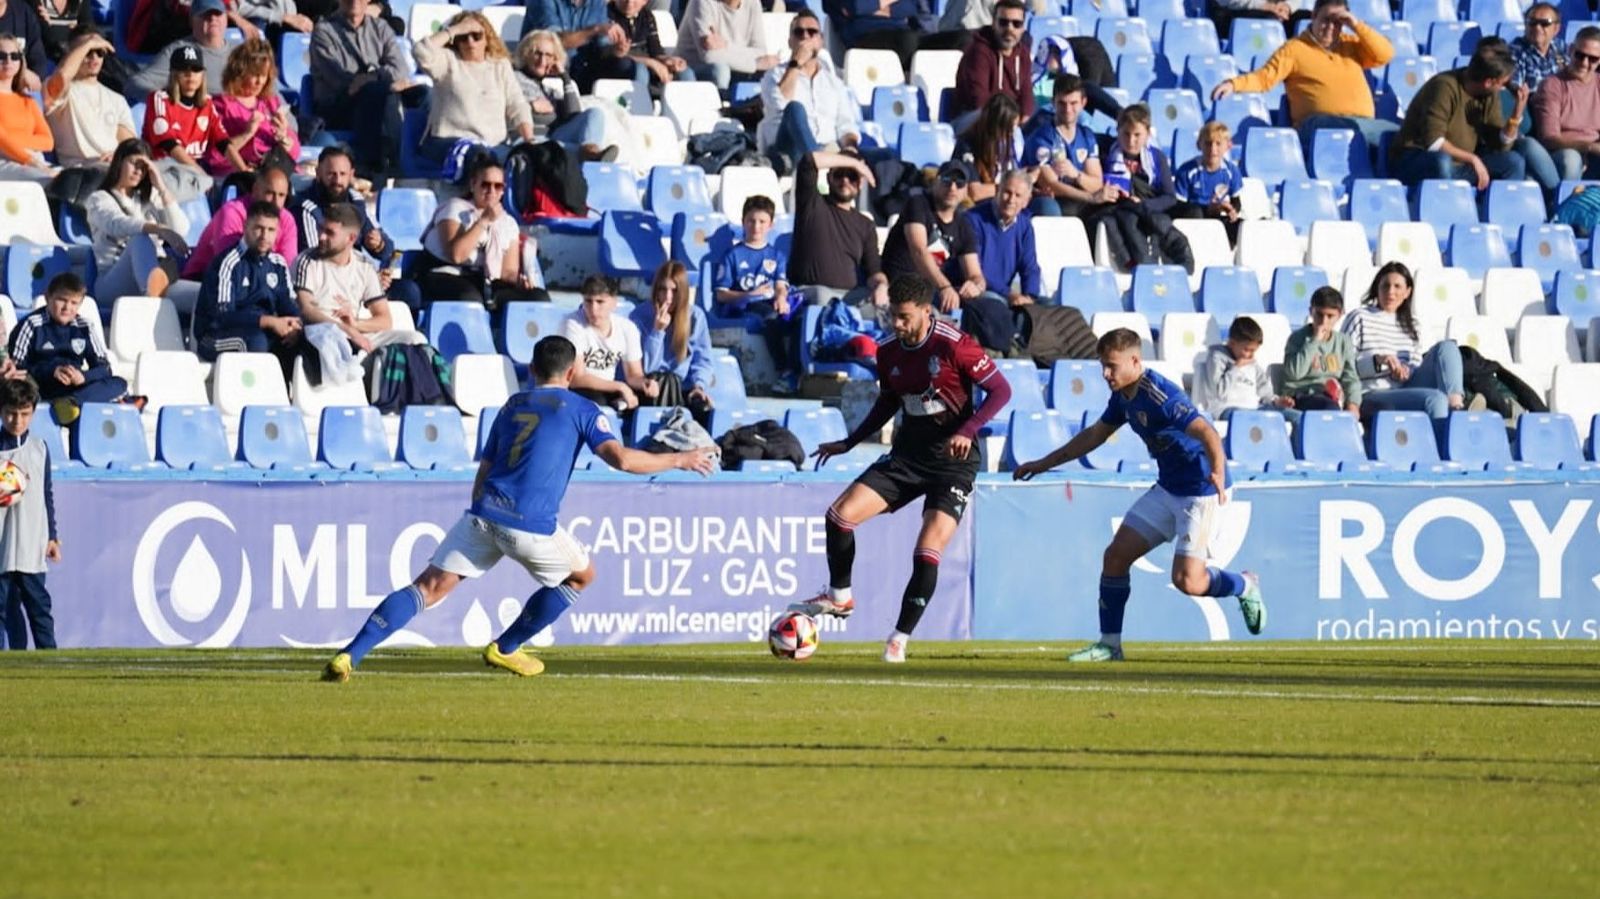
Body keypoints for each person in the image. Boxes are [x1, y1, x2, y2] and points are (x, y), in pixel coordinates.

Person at [323, 334, 719, 681]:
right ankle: (506, 647)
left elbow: (486, 466)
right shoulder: (582, 408)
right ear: (572, 372)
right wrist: (679, 459)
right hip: (530, 524)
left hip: (484, 512)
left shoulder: (512, 405)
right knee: (581, 576)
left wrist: (481, 511)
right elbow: (623, 460)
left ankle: (349, 655)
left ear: (531, 369)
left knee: (427, 587)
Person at [1012, 327, 1265, 662]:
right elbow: (1094, 436)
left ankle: (1244, 584)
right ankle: (1110, 645)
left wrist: (1218, 469)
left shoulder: (1160, 395)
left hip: (1200, 491)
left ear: (1135, 361)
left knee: (1188, 582)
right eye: (1103, 365)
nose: (1105, 374)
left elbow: (1207, 432)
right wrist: (1044, 463)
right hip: (1169, 487)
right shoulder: (1122, 396)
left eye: (1111, 366)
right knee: (1115, 557)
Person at [798, 275, 1013, 664]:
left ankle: (898, 638)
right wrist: (850, 441)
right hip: (908, 457)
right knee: (839, 516)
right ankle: (840, 597)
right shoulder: (888, 351)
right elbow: (888, 401)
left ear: (926, 312)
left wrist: (967, 430)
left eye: (904, 317)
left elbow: (1001, 390)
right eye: (892, 316)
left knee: (927, 549)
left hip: (954, 463)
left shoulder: (954, 344)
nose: (896, 324)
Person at [1210, 0, 1394, 155]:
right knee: (1344, 126)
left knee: (1399, 138)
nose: (1331, 27)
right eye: (1326, 20)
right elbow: (1264, 78)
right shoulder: (1295, 49)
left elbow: (1385, 54)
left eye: (1338, 22)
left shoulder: (1351, 44)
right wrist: (1233, 84)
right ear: (1313, 16)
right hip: (1317, 125)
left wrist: (1356, 25)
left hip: (1363, 124)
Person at [291, 145, 421, 313]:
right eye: (331, 174)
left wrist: (378, 244)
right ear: (318, 173)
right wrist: (367, 280)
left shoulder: (355, 201)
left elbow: (387, 249)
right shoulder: (306, 207)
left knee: (409, 291)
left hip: (357, 279)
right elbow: (315, 260)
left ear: (351, 174)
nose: (337, 180)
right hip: (325, 285)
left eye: (342, 174)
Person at [293, 202, 425, 360]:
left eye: (329, 233)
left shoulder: (364, 266)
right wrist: (345, 329)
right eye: (320, 229)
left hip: (355, 332)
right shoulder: (308, 261)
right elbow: (307, 310)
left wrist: (355, 324)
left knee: (415, 340)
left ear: (351, 238)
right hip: (322, 333)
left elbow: (384, 319)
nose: (321, 237)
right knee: (335, 342)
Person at [1390, 38, 1527, 190]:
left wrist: (1516, 114)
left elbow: (1500, 146)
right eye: (1502, 83)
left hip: (1461, 165)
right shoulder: (1444, 87)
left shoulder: (1489, 95)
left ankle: (1501, 205)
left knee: (1513, 162)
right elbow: (1433, 142)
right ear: (1489, 82)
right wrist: (1472, 159)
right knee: (1442, 162)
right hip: (1418, 159)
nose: (1504, 88)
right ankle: (1448, 202)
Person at [8, 273, 145, 425]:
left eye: (74, 303)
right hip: (40, 387)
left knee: (119, 383)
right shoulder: (31, 324)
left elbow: (104, 368)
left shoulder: (84, 326)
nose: (67, 308)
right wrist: (52, 371)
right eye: (62, 300)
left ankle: (72, 403)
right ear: (48, 297)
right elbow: (16, 368)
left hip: (74, 390)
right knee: (19, 385)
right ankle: (75, 406)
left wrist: (83, 377)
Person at [1341, 262, 1465, 423]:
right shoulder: (1359, 317)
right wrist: (1378, 362)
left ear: (1407, 292)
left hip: (1407, 387)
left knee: (1448, 347)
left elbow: (1415, 364)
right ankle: (1444, 435)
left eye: (1397, 286)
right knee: (1435, 398)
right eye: (1385, 286)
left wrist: (1406, 371)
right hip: (1372, 392)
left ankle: (1456, 408)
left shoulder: (1413, 325)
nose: (1390, 292)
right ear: (1377, 288)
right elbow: (1343, 366)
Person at [416, 159, 546, 309]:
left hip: (484, 282)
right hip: (444, 274)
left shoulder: (508, 223)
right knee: (470, 299)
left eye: (498, 186)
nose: (492, 191)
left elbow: (508, 271)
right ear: (473, 185)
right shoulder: (454, 209)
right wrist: (484, 221)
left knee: (538, 298)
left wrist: (519, 282)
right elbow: (456, 255)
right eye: (485, 185)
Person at [309, 0, 421, 174]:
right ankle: (375, 165)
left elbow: (401, 69)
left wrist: (373, 77)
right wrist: (383, 81)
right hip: (338, 105)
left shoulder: (380, 27)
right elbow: (341, 80)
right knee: (377, 93)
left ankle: (420, 158)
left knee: (423, 94)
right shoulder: (323, 31)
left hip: (379, 92)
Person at [192, 199, 303, 372]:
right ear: (245, 227)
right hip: (213, 336)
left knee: (300, 340)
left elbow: (288, 304)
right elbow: (221, 316)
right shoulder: (228, 263)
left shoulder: (278, 264)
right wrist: (267, 321)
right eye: (258, 228)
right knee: (255, 342)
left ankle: (285, 390)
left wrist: (296, 326)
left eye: (271, 230)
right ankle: (252, 390)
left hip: (261, 330)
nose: (264, 235)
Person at [413, 10, 534, 168]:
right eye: (463, 37)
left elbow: (517, 104)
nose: (470, 42)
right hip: (448, 142)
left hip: (493, 144)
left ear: (487, 38)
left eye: (476, 36)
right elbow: (420, 51)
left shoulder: (500, 66)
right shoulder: (448, 61)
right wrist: (456, 29)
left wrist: (529, 141)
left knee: (529, 159)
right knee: (479, 156)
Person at [1086, 103, 1194, 272]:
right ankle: (1141, 263)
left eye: (1137, 135)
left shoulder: (1156, 158)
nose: (1131, 141)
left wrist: (1142, 204)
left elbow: (1169, 197)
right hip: (1114, 208)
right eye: (1126, 134)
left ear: (1147, 134)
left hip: (1147, 208)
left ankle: (1178, 247)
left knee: (1145, 216)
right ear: (1118, 131)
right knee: (1127, 217)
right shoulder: (1105, 152)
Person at [757, 9, 863, 175]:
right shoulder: (774, 75)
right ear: (790, 41)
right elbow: (780, 103)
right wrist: (796, 64)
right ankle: (818, 166)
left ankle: (823, 164)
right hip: (789, 151)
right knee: (795, 108)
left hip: (828, 149)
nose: (805, 36)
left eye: (812, 32)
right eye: (798, 32)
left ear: (820, 41)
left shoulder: (834, 83)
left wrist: (850, 147)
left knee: (882, 157)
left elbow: (846, 124)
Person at [84, 138, 191, 301]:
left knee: (200, 297)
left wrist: (161, 187)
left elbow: (180, 230)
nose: (138, 171)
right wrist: (158, 229)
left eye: (144, 167)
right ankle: (151, 297)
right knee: (140, 239)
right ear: (119, 162)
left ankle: (153, 294)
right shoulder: (98, 198)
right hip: (112, 281)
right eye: (134, 164)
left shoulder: (150, 198)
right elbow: (116, 223)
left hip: (157, 274)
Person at [0, 377, 60, 652]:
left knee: (39, 609)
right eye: (11, 413)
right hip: (2, 545)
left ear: (33, 413)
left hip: (30, 544)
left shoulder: (40, 448)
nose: (17, 420)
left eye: (24, 414)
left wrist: (52, 537)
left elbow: (46, 495)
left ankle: (51, 664)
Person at [714, 194, 797, 392]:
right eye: (751, 221)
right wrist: (748, 295)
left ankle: (801, 373)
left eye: (762, 221)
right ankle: (784, 371)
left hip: (769, 303)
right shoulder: (733, 255)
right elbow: (721, 294)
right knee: (770, 317)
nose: (756, 226)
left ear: (771, 225)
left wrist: (781, 297)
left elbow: (780, 284)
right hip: (745, 306)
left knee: (798, 318)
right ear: (743, 222)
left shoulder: (776, 256)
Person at [786, 148, 888, 308]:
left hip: (850, 299)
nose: (845, 181)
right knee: (821, 296)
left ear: (860, 183)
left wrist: (881, 286)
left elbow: (873, 270)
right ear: (828, 178)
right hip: (811, 293)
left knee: (889, 306)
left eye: (852, 176)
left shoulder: (866, 224)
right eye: (839, 174)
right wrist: (855, 164)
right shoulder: (812, 204)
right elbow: (808, 161)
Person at [881, 160, 984, 317]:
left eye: (959, 183)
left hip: (930, 292)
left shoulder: (964, 225)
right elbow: (919, 250)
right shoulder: (918, 204)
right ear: (935, 183)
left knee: (985, 309)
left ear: (965, 191)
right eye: (947, 180)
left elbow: (976, 274)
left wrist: (975, 286)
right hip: (900, 286)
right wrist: (945, 287)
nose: (952, 188)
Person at [962, 170, 1039, 354]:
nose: (1011, 199)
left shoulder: (1025, 226)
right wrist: (1010, 295)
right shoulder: (972, 220)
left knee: (1042, 309)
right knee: (994, 303)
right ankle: (1005, 356)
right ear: (997, 190)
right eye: (1007, 192)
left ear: (1026, 201)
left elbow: (1030, 266)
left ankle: (1029, 358)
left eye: (1018, 195)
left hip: (1005, 293)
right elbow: (978, 273)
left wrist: (1029, 296)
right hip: (976, 290)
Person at [200, 37, 300, 178]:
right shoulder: (220, 106)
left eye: (264, 75)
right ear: (239, 73)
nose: (260, 81)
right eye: (255, 75)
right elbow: (214, 158)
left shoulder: (270, 101)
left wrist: (284, 137)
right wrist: (247, 134)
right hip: (241, 177)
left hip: (278, 172)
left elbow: (295, 152)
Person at [629, 260, 716, 422]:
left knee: (704, 408)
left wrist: (698, 386)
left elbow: (702, 360)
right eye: (663, 289)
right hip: (650, 387)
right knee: (662, 381)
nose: (668, 297)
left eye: (674, 291)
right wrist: (657, 332)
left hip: (683, 388)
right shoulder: (639, 316)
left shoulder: (695, 316)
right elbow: (647, 368)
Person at [513, 29, 617, 161]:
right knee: (563, 147)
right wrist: (530, 106)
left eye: (548, 55)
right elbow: (502, 106)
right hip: (525, 139)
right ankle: (591, 157)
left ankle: (590, 152)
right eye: (537, 53)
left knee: (595, 113)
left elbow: (574, 115)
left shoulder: (548, 91)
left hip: (553, 137)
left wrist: (564, 77)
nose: (542, 60)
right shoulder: (514, 78)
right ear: (526, 54)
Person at [182, 165, 298, 280]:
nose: (275, 201)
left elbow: (288, 267)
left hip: (257, 281)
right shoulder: (231, 213)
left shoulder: (287, 220)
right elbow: (228, 263)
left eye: (281, 195)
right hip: (204, 279)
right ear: (255, 190)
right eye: (269, 193)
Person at [43, 31, 136, 169]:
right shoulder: (61, 91)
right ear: (71, 54)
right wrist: (89, 43)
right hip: (79, 170)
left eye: (100, 52)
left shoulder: (117, 99)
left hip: (113, 167)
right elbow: (62, 75)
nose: (94, 57)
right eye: (88, 52)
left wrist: (118, 155)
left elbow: (130, 144)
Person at [140, 44, 218, 200]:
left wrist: (243, 170)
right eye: (184, 69)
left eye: (196, 69)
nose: (190, 74)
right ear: (174, 74)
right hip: (163, 167)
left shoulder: (207, 103)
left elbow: (223, 142)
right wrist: (199, 172)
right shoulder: (159, 99)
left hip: (190, 171)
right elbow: (168, 144)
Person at [1023, 72, 1104, 218]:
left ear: (1083, 103)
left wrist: (1076, 175)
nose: (1067, 110)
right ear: (1053, 102)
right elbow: (1050, 184)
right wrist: (1090, 197)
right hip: (1052, 198)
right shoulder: (1042, 137)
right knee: (1049, 208)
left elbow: (1097, 182)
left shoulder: (1087, 136)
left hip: (1079, 197)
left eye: (1073, 103)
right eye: (1062, 103)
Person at [563, 274, 648, 411]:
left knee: (648, 398)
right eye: (588, 301)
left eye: (600, 302)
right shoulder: (573, 325)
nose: (593, 309)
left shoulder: (627, 328)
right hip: (580, 390)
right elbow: (576, 378)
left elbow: (634, 375)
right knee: (597, 403)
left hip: (609, 389)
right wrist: (620, 387)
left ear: (614, 303)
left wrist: (646, 384)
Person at [1191, 316, 1298, 425]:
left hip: (1254, 409)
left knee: (1297, 417)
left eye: (1253, 351)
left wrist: (1276, 401)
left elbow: (1264, 391)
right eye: (1247, 350)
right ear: (1232, 343)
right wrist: (1236, 368)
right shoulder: (1217, 358)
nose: (1250, 355)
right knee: (1251, 418)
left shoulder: (1252, 363)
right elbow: (1219, 393)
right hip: (1225, 409)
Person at [125, 0, 235, 100]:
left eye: (218, 14)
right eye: (205, 14)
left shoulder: (239, 52)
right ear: (192, 21)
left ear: (226, 19)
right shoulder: (180, 53)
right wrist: (170, 103)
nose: (212, 19)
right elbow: (135, 85)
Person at [951, 0, 1033, 134]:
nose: (1010, 29)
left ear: (1023, 28)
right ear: (993, 23)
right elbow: (979, 101)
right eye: (1003, 22)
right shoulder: (978, 52)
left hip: (1009, 119)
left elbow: (1026, 96)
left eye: (1016, 24)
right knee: (985, 118)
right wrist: (1010, 120)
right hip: (972, 119)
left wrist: (1024, 118)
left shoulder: (1023, 54)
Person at [579, 0, 693, 94]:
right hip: (615, 66)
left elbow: (655, 51)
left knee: (685, 72)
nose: (629, 2)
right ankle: (640, 107)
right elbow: (604, 54)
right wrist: (650, 63)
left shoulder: (647, 16)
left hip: (647, 66)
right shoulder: (605, 16)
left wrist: (668, 60)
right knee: (639, 70)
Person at [821, 0, 968, 73]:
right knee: (907, 41)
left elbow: (911, 8)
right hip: (863, 39)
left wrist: (876, 6)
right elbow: (855, 6)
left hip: (905, 36)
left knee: (963, 39)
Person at [1281, 286, 1363, 414]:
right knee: (1329, 408)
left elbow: (1351, 377)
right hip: (1300, 395)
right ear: (1311, 312)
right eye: (1319, 314)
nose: (1323, 321)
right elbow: (1295, 373)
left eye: (1330, 316)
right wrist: (1314, 341)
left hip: (1329, 396)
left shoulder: (1343, 342)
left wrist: (1353, 404)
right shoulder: (1297, 338)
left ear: (1339, 315)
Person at [1533, 26, 1600, 182]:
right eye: (1580, 55)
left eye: (1592, 59)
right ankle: (1568, 196)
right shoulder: (1552, 85)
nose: (1584, 63)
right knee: (1571, 159)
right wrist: (1588, 147)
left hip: (1594, 153)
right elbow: (1549, 138)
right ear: (1570, 50)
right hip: (1562, 151)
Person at [675, 0, 777, 90]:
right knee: (720, 71)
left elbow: (760, 53)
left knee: (771, 74)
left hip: (735, 68)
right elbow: (709, 56)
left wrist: (726, 45)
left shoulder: (753, 4)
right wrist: (754, 64)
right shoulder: (701, 2)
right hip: (692, 66)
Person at [1173, 120, 1244, 243]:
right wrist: (1207, 209)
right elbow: (1178, 206)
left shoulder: (1231, 171)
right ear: (1199, 145)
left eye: (1218, 144)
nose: (1213, 149)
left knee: (1243, 226)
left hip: (1218, 218)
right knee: (1196, 213)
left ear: (1228, 146)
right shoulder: (1187, 171)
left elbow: (1236, 201)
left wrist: (1232, 210)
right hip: (1194, 221)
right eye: (1208, 143)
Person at [0, 32, 54, 183]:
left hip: (35, 160)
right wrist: (32, 162)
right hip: (5, 161)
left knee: (79, 179)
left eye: (14, 56)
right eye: (1, 56)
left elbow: (48, 142)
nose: (8, 61)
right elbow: (2, 139)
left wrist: (12, 140)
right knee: (47, 179)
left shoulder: (28, 101)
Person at [953, 93, 1022, 203]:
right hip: (979, 207)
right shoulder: (967, 145)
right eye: (1008, 128)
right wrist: (1009, 188)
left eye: (1014, 128)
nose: (1011, 133)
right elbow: (975, 192)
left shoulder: (1007, 143)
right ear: (996, 125)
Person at [1512, 2, 1567, 94]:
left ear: (1556, 29)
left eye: (1545, 23)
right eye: (1532, 22)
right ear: (1525, 25)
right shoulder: (1515, 53)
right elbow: (1515, 93)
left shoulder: (1561, 47)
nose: (1537, 27)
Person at [0, 0, 46, 89]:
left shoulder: (23, 12)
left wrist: (33, 76)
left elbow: (38, 58)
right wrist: (22, 72)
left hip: (20, 88)